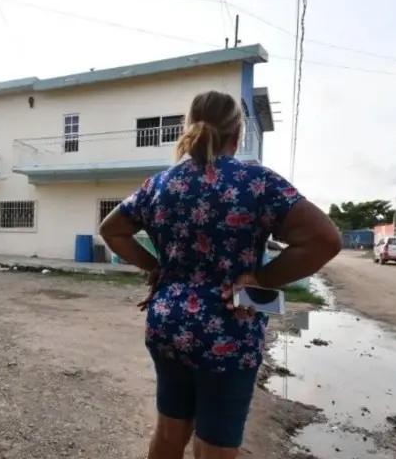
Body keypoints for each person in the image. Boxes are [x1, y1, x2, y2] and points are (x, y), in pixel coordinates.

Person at [99, 90, 341, 459]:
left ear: (189, 127)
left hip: (168, 324)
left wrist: (156, 266)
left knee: (168, 431)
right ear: (238, 133)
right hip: (228, 329)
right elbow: (324, 240)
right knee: (216, 445)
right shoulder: (256, 182)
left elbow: (111, 230)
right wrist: (261, 279)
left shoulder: (160, 185)